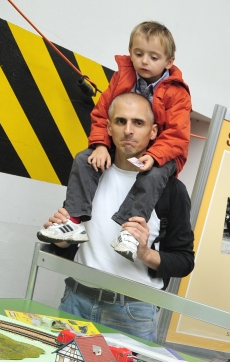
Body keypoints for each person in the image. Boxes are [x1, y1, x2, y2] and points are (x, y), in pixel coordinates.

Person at [41, 93, 195, 342]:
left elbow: (184, 261)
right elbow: (72, 243)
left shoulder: (171, 190)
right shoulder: (92, 172)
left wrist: (145, 253)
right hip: (76, 301)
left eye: (138, 123)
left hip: (133, 312)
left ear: (153, 131)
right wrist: (60, 237)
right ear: (109, 127)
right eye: (121, 121)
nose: (128, 130)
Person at [38, 22, 190, 262]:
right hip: (129, 152)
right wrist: (100, 144)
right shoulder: (123, 77)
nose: (144, 62)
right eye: (138, 54)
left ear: (169, 62)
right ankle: (73, 221)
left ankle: (130, 232)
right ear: (130, 52)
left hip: (165, 154)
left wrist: (154, 155)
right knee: (83, 159)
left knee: (151, 175)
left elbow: (177, 135)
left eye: (153, 57)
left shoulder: (177, 92)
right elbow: (101, 114)